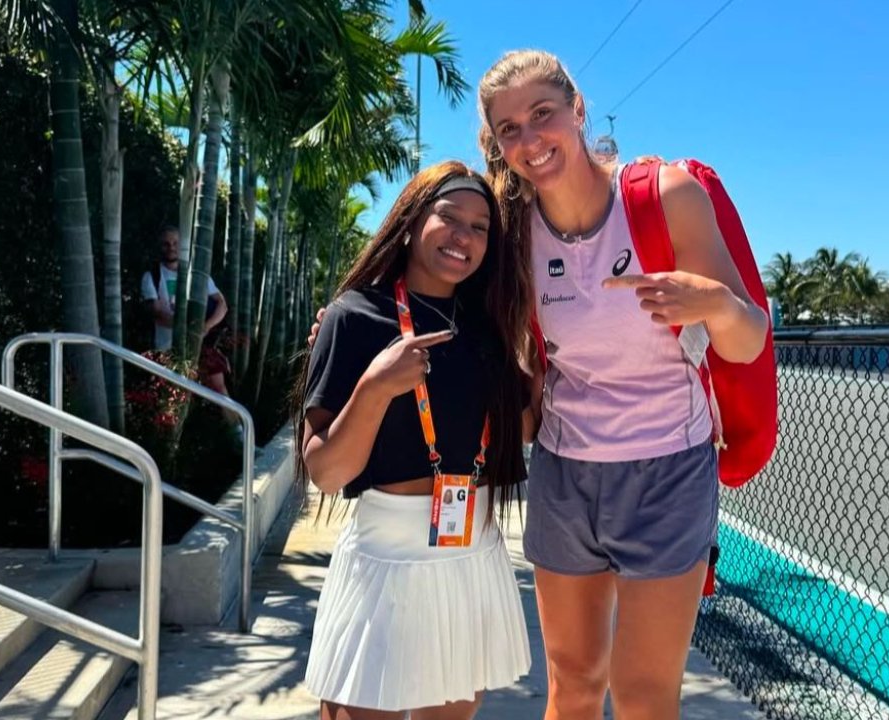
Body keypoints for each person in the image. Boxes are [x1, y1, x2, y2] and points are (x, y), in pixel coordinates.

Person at [475, 49, 769, 720]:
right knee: (573, 685)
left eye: (542, 114)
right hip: (565, 473)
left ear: (578, 110)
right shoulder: (513, 229)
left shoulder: (666, 197)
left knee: (643, 695)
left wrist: (714, 304)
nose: (530, 139)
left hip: (669, 469)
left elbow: (747, 338)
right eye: (509, 129)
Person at [294, 161, 533, 720]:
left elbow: (522, 430)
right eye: (449, 217)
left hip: (470, 557)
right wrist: (376, 386)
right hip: (383, 561)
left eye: (479, 228)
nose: (464, 236)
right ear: (409, 221)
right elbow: (326, 472)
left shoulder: (488, 326)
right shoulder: (354, 316)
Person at [140, 225, 233, 402]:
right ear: (160, 246)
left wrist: (205, 327)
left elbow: (222, 305)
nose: (171, 247)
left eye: (175, 243)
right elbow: (157, 313)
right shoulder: (151, 276)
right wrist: (187, 329)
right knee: (173, 400)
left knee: (220, 391)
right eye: (166, 244)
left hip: (200, 345)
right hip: (168, 350)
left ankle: (234, 420)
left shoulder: (197, 274)